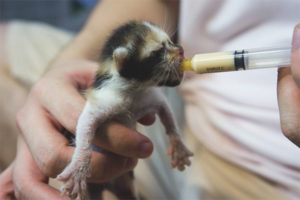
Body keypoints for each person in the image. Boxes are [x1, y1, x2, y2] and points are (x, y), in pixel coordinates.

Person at [0, 0, 300, 199]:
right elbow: (88, 116)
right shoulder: (120, 87)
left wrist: (174, 139)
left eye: (171, 43)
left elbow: (159, 106)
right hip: (191, 106)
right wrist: (57, 80)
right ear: (123, 65)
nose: (178, 53)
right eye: (162, 51)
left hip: (272, 175)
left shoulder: (145, 84)